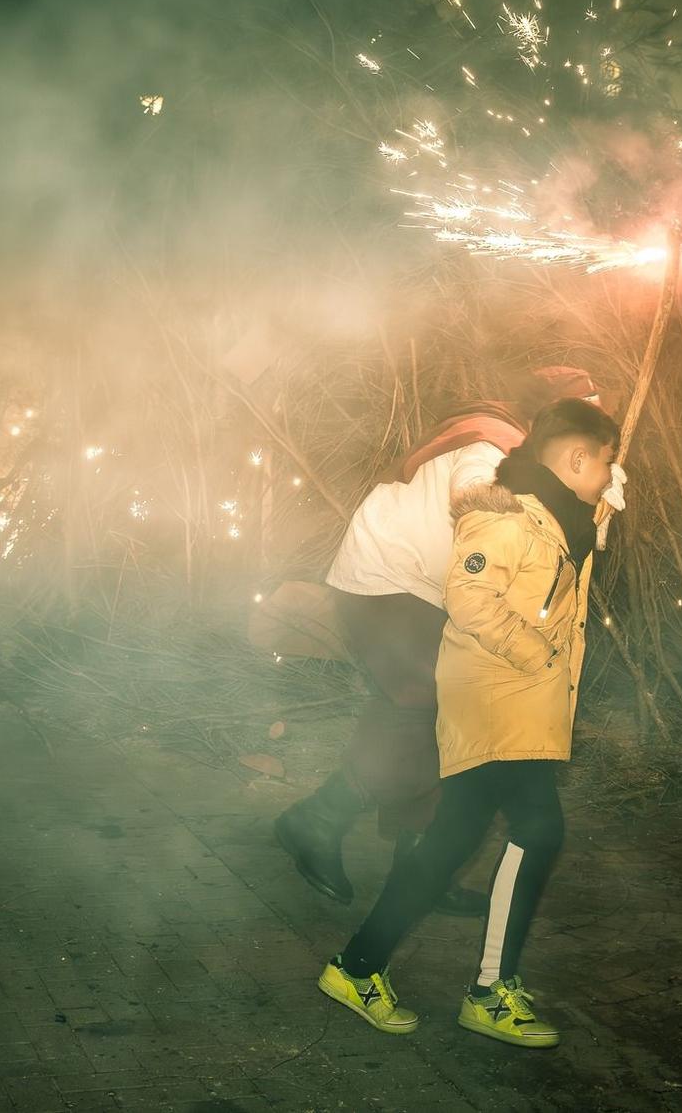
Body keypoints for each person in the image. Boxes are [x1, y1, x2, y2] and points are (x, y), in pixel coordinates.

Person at [316, 397, 620, 1050]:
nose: (609, 476)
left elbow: (563, 591)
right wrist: (533, 652)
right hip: (492, 699)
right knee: (539, 828)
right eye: (604, 463)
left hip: (525, 705)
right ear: (574, 458)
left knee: (449, 844)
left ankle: (358, 967)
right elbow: (470, 594)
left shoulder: (564, 520)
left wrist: (602, 515)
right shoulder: (506, 513)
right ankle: (488, 991)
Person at [276, 367, 599, 917]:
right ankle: (317, 818)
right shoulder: (492, 442)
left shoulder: (538, 464)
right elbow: (474, 493)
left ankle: (420, 865)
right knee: (423, 702)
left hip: (434, 595)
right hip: (387, 581)